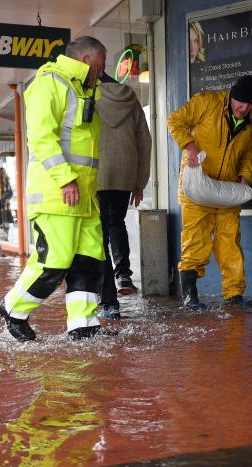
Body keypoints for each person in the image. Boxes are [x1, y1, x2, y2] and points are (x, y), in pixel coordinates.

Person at [0, 36, 107, 342]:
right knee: (54, 261)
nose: (103, 69)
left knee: (89, 258)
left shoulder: (83, 88)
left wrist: (85, 186)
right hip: (57, 193)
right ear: (87, 59)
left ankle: (82, 324)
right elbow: (43, 137)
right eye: (102, 62)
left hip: (83, 197)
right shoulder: (49, 82)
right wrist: (65, 178)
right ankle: (13, 309)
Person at [167, 74, 252, 308]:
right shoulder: (206, 102)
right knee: (195, 240)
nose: (244, 108)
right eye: (241, 102)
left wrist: (245, 176)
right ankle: (190, 295)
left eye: (250, 104)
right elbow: (175, 120)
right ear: (231, 95)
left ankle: (234, 294)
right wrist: (190, 146)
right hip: (197, 185)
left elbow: (249, 151)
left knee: (230, 242)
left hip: (227, 190)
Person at [95, 74, 152, 319]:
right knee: (116, 222)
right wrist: (139, 181)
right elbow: (145, 141)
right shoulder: (131, 99)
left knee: (98, 232)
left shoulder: (90, 96)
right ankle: (123, 275)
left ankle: (106, 294)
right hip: (125, 171)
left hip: (95, 171)